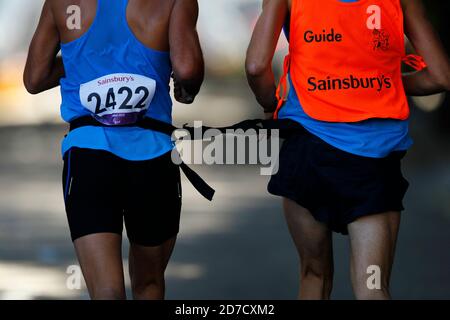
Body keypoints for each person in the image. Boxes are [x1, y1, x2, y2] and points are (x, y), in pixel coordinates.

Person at [246, 0, 450, 299]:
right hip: (374, 160)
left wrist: (269, 104)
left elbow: (256, 66)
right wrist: (378, 85)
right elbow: (440, 76)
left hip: (307, 150)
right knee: (373, 285)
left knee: (313, 274)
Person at [24, 0, 204, 300]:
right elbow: (186, 69)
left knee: (106, 291)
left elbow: (34, 77)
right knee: (149, 284)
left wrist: (84, 55)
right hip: (153, 155)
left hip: (89, 155)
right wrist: (189, 86)